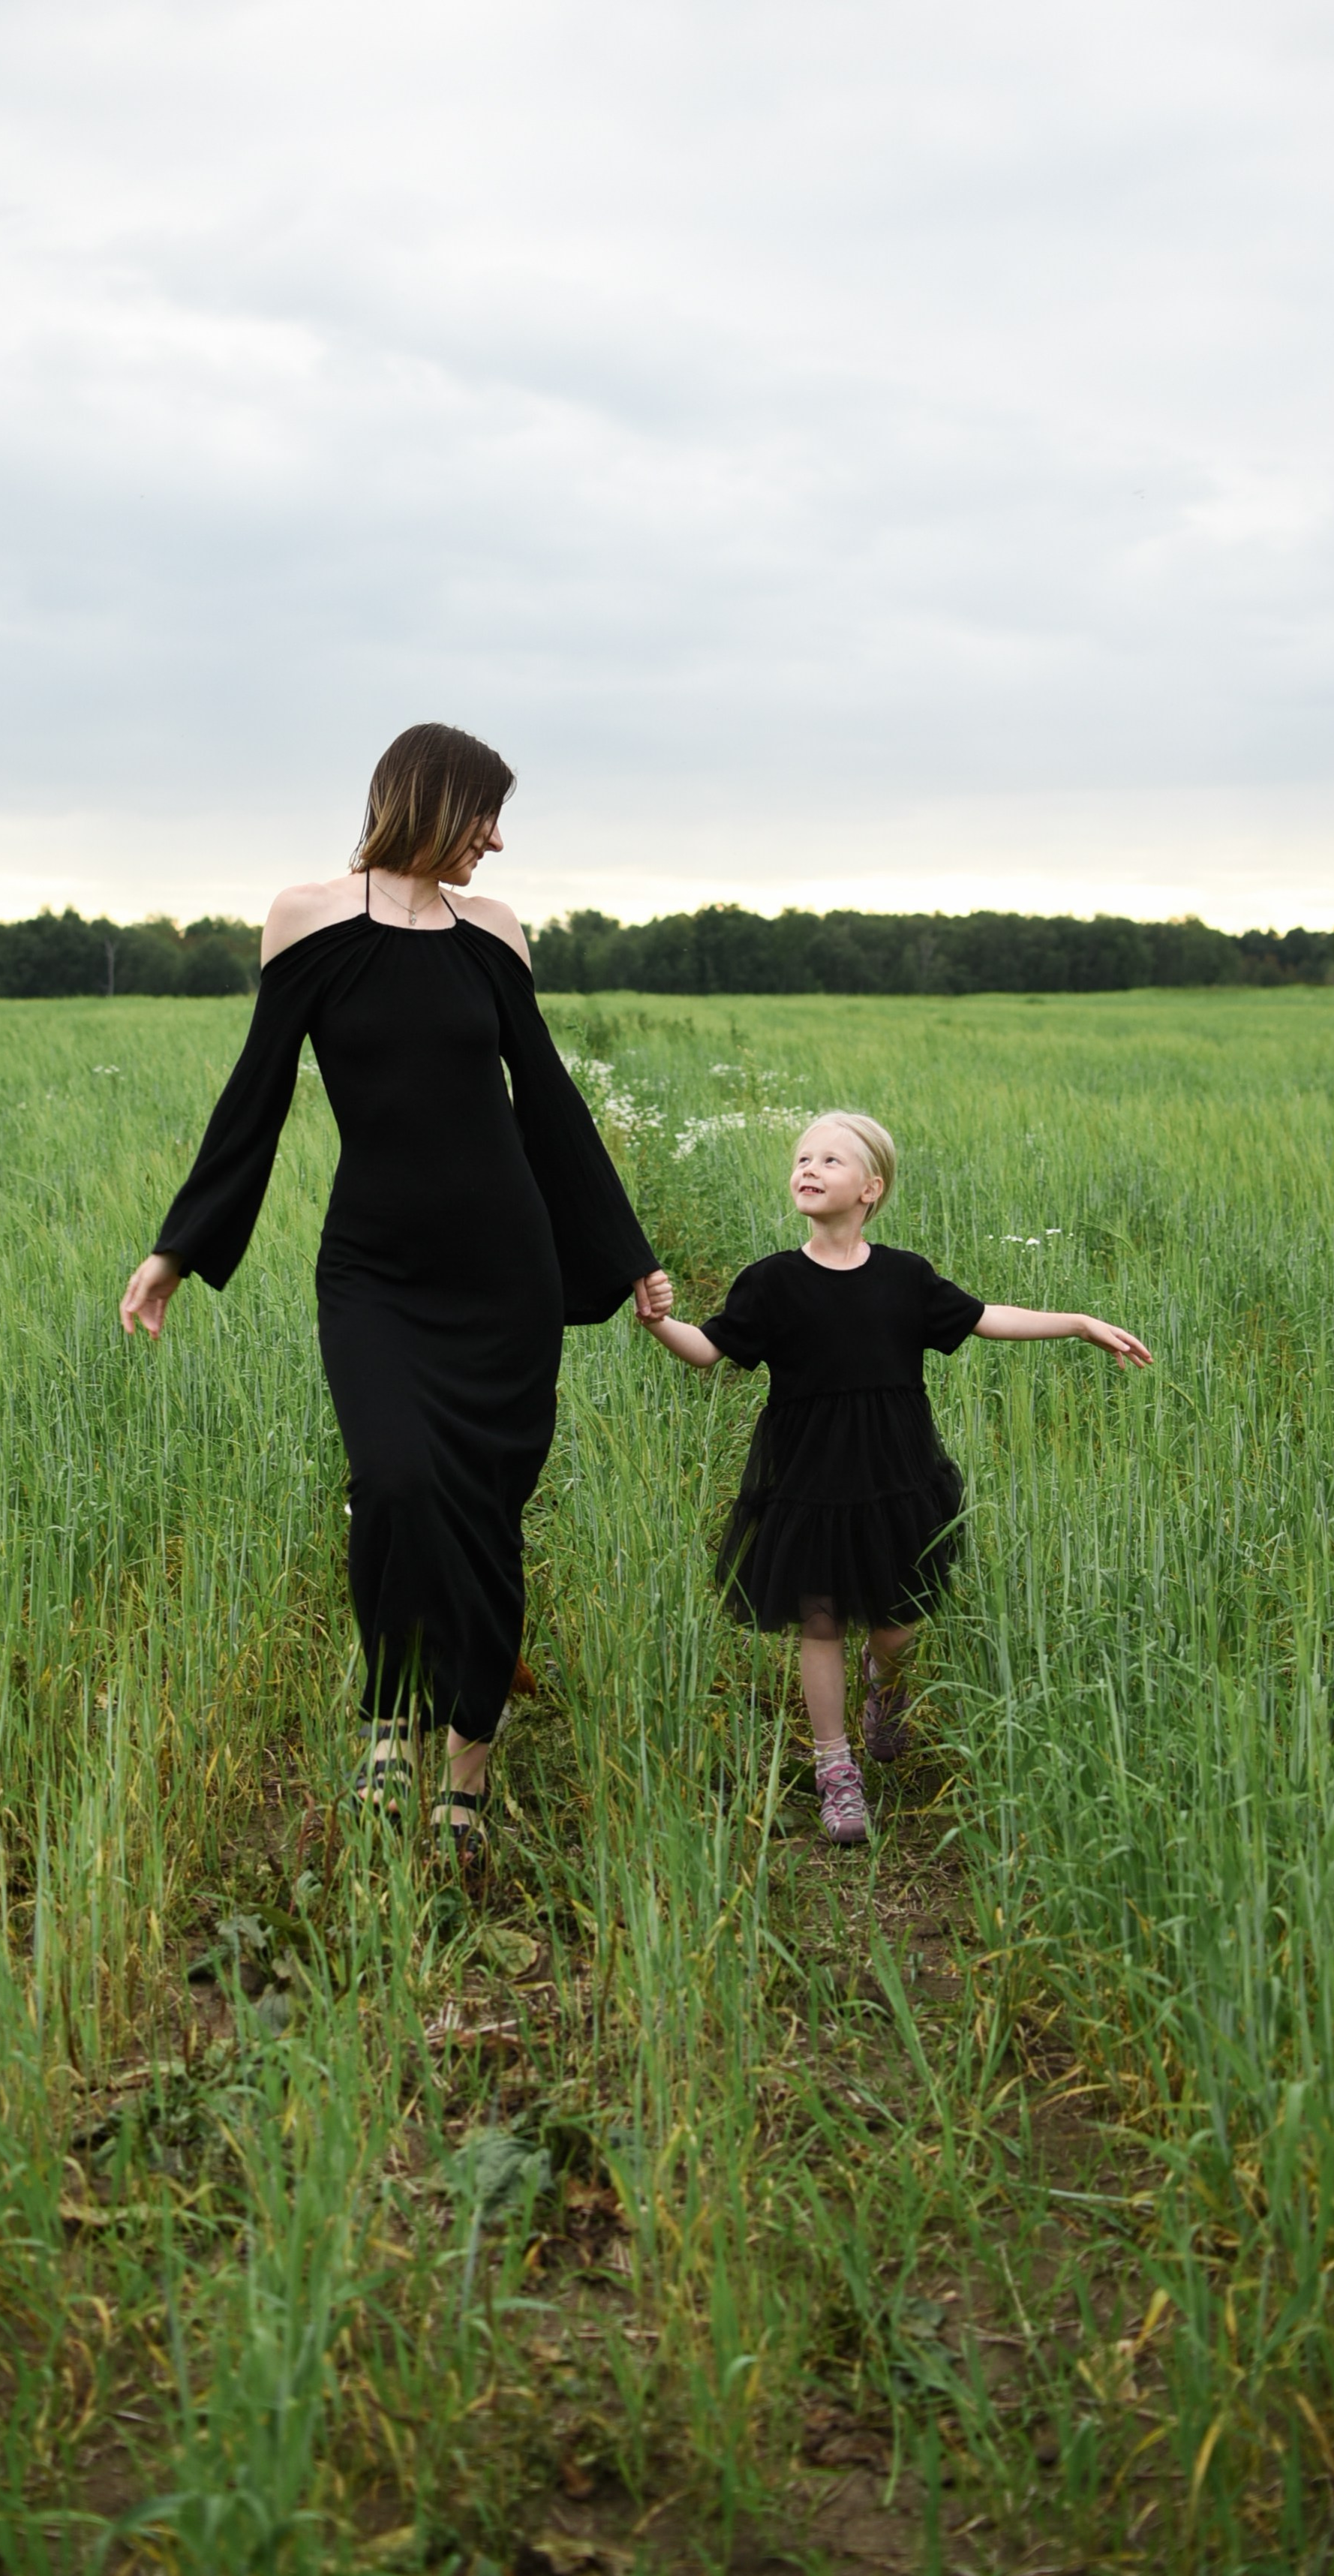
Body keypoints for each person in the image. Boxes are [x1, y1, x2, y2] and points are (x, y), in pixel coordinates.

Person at [120, 724, 667, 1860]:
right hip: (374, 1272)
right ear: (430, 801)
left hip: (501, 1272)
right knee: (396, 1481)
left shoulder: (492, 934)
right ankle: (388, 1707)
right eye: (485, 816)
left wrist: (622, 1252)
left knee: (482, 1511)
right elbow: (255, 1093)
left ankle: (466, 1752)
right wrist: (178, 1245)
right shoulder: (307, 920)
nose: (499, 843)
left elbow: (551, 1101)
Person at [633, 1113, 1149, 1844]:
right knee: (819, 1618)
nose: (808, 1167)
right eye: (802, 1157)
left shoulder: (905, 1277)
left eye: (830, 1160)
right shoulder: (772, 1281)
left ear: (869, 1188)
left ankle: (885, 1685)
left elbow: (984, 1318)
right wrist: (658, 1320)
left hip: (895, 1474)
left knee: (895, 1621)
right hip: (808, 1480)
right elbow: (706, 1349)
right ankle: (834, 1769)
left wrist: (1077, 1322)